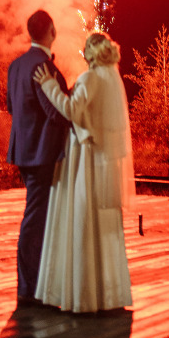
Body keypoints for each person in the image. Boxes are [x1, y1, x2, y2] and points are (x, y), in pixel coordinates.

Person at [32, 31, 134, 313]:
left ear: (91, 52)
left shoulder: (91, 78)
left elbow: (71, 110)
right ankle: (105, 295)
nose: (82, 52)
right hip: (103, 158)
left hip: (85, 158)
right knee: (101, 226)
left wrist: (49, 85)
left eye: (85, 48)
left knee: (82, 218)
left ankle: (83, 294)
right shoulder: (111, 79)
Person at [7, 10, 69, 304]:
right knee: (35, 219)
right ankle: (28, 288)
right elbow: (56, 113)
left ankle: (38, 282)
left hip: (23, 150)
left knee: (39, 216)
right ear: (52, 31)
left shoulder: (15, 66)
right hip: (43, 153)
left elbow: (12, 106)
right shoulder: (45, 68)